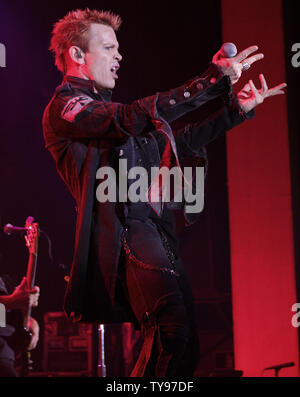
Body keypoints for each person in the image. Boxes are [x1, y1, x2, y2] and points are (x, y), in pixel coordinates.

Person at [43, 8, 286, 376]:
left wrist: (235, 108)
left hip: (152, 230)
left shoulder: (108, 112)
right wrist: (210, 80)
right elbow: (128, 119)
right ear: (77, 55)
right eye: (108, 47)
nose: (119, 56)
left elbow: (178, 140)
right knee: (171, 330)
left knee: (185, 342)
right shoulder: (67, 107)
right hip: (124, 229)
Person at [0, 276, 40, 377]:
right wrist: (11, 301)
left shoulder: (5, 280)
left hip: (9, 355)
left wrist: (30, 322)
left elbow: (2, 317)